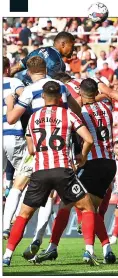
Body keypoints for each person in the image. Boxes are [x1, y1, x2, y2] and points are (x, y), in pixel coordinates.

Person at [2, 81, 97, 267]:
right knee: (87, 208)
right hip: (63, 171)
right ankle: (89, 251)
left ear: (43, 97)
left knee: (23, 215)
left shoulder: (33, 117)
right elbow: (89, 139)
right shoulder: (67, 113)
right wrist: (82, 156)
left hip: (39, 172)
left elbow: (30, 150)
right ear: (61, 97)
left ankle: (6, 255)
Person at [31, 78, 118, 264]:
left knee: (67, 205)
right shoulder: (107, 108)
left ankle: (55, 248)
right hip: (110, 163)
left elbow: (78, 127)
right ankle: (107, 249)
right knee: (91, 209)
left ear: (80, 93)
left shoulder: (81, 112)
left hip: (92, 161)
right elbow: (105, 97)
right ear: (96, 92)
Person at [2, 57, 26, 238]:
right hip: (12, 135)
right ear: (8, 68)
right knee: (24, 177)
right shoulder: (14, 82)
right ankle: (10, 222)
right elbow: (27, 98)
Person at [10, 31, 75, 85]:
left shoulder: (39, 50)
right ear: (63, 44)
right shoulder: (59, 63)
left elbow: (16, 68)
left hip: (23, 92)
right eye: (72, 46)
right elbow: (54, 88)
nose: (73, 49)